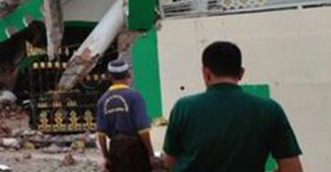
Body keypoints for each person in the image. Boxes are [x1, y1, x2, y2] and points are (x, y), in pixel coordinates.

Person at [163, 41, 303, 172]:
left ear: (206, 73)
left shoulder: (183, 108)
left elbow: (168, 164)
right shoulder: (270, 110)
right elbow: (292, 168)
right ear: (241, 73)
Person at [96, 59, 157, 172]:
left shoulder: (102, 100)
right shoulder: (135, 97)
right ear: (128, 75)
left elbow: (101, 134)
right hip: (135, 150)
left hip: (115, 150)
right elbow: (143, 130)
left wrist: (106, 156)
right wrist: (151, 154)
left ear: (109, 77)